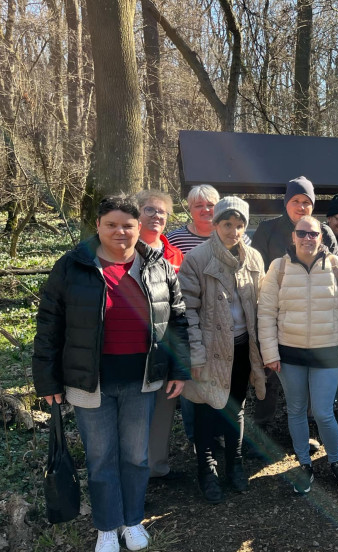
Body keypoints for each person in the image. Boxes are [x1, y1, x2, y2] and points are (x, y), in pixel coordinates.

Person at [32, 195, 190, 552]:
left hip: (141, 379)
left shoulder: (157, 265)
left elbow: (178, 319)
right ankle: (107, 526)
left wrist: (180, 368)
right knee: (101, 459)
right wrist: (47, 379)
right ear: (98, 226)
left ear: (138, 227)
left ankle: (132, 520)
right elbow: (49, 325)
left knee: (136, 457)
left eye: (127, 225)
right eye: (111, 224)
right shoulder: (72, 266)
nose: (120, 231)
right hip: (90, 382)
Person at [258, 216, 338, 493]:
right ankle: (304, 464)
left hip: (327, 353)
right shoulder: (278, 268)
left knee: (324, 413)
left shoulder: (336, 266)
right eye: (301, 233)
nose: (307, 238)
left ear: (321, 237)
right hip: (289, 354)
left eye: (313, 233)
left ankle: (335, 461)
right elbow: (266, 312)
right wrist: (269, 352)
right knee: (296, 410)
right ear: (293, 236)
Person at [179, 196, 267, 503]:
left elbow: (261, 304)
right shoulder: (197, 259)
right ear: (216, 225)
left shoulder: (253, 258)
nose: (234, 231)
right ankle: (207, 470)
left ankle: (235, 464)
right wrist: (196, 353)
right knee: (206, 408)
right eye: (227, 224)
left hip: (243, 347)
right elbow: (187, 310)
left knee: (235, 407)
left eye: (240, 225)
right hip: (210, 349)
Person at [250, 176, 338, 432]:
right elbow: (256, 271)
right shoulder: (268, 230)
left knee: (310, 375)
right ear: (286, 203)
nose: (301, 207)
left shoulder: (323, 232)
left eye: (306, 202)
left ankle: (309, 427)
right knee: (270, 371)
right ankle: (263, 427)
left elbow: (336, 274)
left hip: (313, 318)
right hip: (276, 315)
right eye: (296, 201)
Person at [136, 190, 188, 484]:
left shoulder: (175, 254)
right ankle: (134, 472)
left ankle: (157, 467)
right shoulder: (126, 249)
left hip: (167, 342)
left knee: (163, 408)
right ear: (137, 213)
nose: (156, 216)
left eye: (162, 212)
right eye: (149, 210)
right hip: (136, 345)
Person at [166, 184, 220, 444]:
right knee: (193, 378)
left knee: (220, 377)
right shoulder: (175, 239)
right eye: (199, 206)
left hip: (223, 321)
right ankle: (196, 436)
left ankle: (219, 433)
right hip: (188, 318)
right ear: (190, 209)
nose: (206, 210)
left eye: (210, 205)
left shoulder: (233, 234)